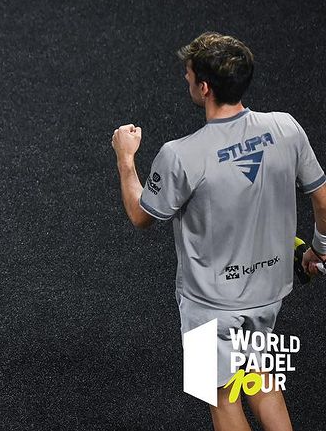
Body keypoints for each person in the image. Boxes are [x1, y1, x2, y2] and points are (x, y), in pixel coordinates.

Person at [111, 32, 326, 431]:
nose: (186, 78)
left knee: (221, 397)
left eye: (189, 73)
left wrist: (126, 159)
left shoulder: (181, 154)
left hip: (207, 304)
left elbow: (142, 215)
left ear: (205, 87)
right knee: (260, 379)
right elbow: (323, 200)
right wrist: (319, 248)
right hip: (269, 294)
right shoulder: (287, 128)